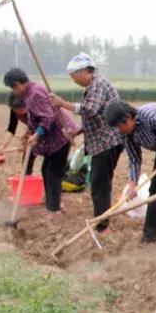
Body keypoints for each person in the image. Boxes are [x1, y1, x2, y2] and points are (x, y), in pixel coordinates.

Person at [49, 54, 123, 231]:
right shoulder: (92, 87)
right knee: (100, 182)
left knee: (99, 182)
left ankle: (102, 222)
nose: (73, 79)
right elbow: (95, 116)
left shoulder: (98, 84)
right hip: (101, 142)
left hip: (107, 141)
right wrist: (77, 131)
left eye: (74, 74)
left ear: (86, 71)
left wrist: (62, 103)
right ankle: (103, 216)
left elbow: (89, 109)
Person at [103, 100, 156, 244]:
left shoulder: (153, 118)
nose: (119, 130)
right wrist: (132, 183)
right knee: (155, 190)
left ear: (129, 117)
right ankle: (149, 236)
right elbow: (134, 158)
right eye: (116, 127)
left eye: (120, 125)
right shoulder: (125, 132)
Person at [3, 70, 74, 212]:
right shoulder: (30, 93)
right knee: (46, 170)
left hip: (60, 135)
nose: (14, 91)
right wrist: (29, 133)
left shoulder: (34, 94)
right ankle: (52, 204)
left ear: (17, 85)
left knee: (53, 173)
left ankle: (54, 209)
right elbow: (35, 117)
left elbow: (47, 118)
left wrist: (37, 135)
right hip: (52, 137)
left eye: (12, 88)